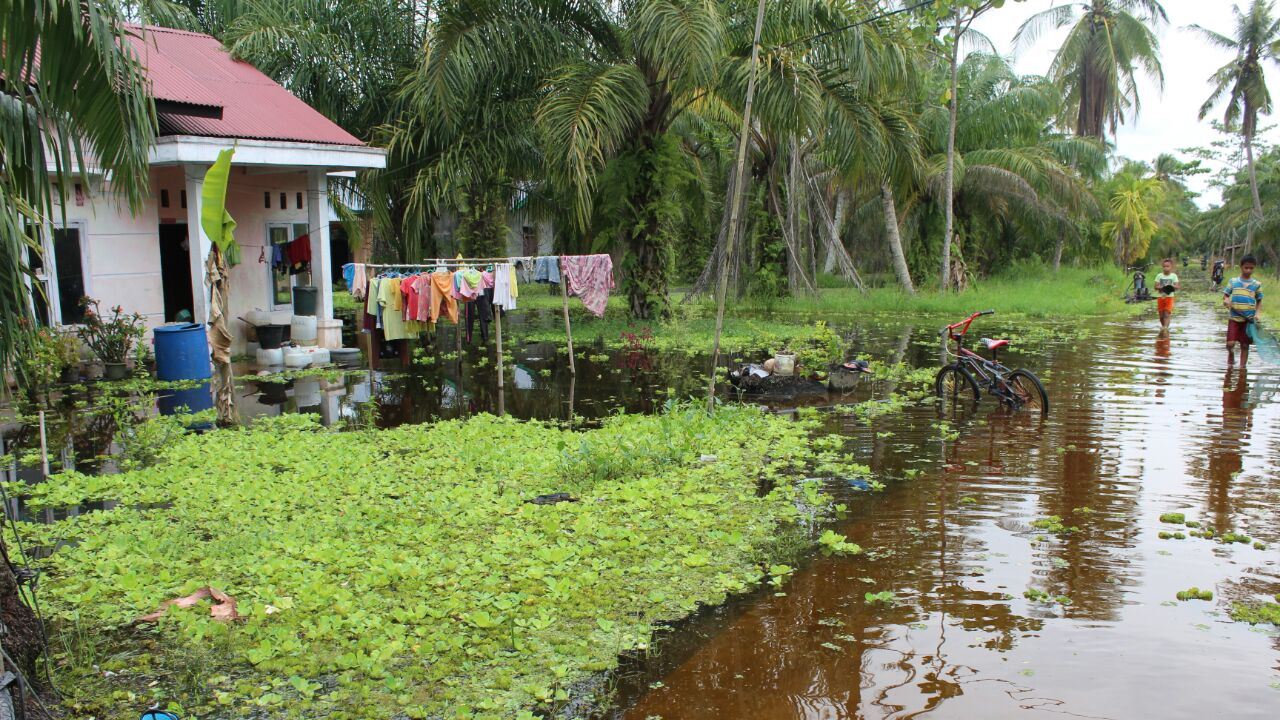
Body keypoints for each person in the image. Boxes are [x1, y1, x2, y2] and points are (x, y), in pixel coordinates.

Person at [1223, 254, 1263, 368]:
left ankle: (1242, 368)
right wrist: (1226, 300)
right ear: (1241, 267)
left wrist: (1257, 314)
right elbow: (1226, 295)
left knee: (1245, 345)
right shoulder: (1233, 282)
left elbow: (1259, 300)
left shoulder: (1256, 285)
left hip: (1248, 320)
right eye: (1246, 268)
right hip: (1234, 318)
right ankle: (1231, 354)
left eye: (1251, 268)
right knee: (1230, 344)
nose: (1248, 270)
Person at [1154, 258, 1180, 331]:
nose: (1165, 268)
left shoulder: (1173, 276)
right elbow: (1155, 286)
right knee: (1161, 315)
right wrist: (1162, 287)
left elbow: (1177, 286)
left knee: (1166, 314)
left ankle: (1165, 328)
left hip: (1169, 297)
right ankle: (1164, 327)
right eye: (1164, 266)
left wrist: (1171, 286)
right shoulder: (1159, 276)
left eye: (1167, 266)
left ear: (1171, 267)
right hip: (1160, 297)